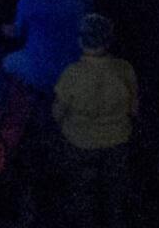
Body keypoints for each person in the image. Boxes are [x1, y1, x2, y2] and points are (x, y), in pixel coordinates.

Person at [52, 13, 140, 228]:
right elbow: (134, 109)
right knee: (114, 190)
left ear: (81, 40)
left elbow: (57, 113)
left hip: (79, 141)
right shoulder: (125, 69)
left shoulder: (71, 74)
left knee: (82, 191)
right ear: (109, 40)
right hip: (118, 138)